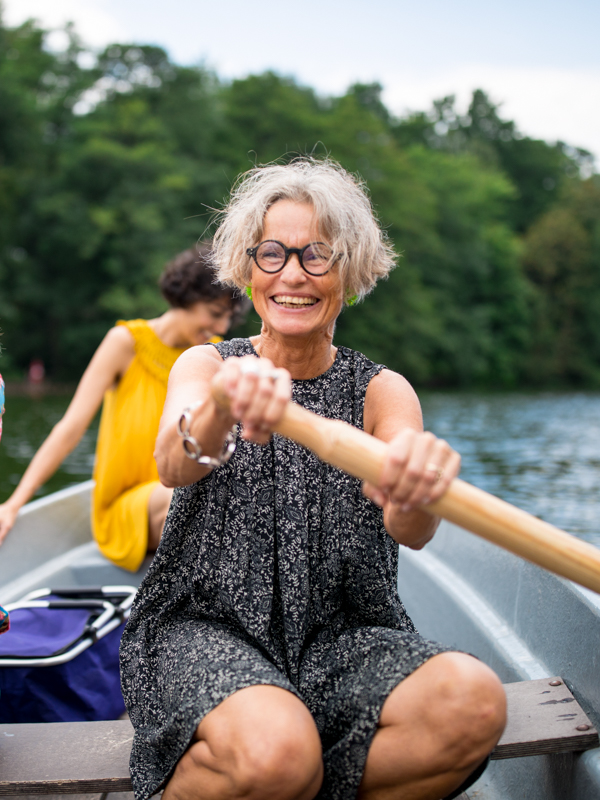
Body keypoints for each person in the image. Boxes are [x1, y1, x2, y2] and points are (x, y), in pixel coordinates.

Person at [120, 159, 506, 800]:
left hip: (341, 635)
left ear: (350, 274)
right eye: (271, 254)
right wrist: (223, 403)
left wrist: (419, 485)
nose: (292, 274)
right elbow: (172, 462)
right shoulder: (206, 363)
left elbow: (410, 531)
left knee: (474, 703)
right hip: (204, 628)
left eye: (316, 255)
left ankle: (295, 783)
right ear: (246, 271)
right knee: (277, 753)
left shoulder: (383, 391)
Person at [0, 244, 247, 572]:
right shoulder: (125, 342)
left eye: (228, 319)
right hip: (126, 508)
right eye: (215, 314)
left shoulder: (214, 354)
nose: (221, 328)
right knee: (192, 494)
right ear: (186, 296)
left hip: (183, 487)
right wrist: (14, 503)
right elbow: (70, 428)